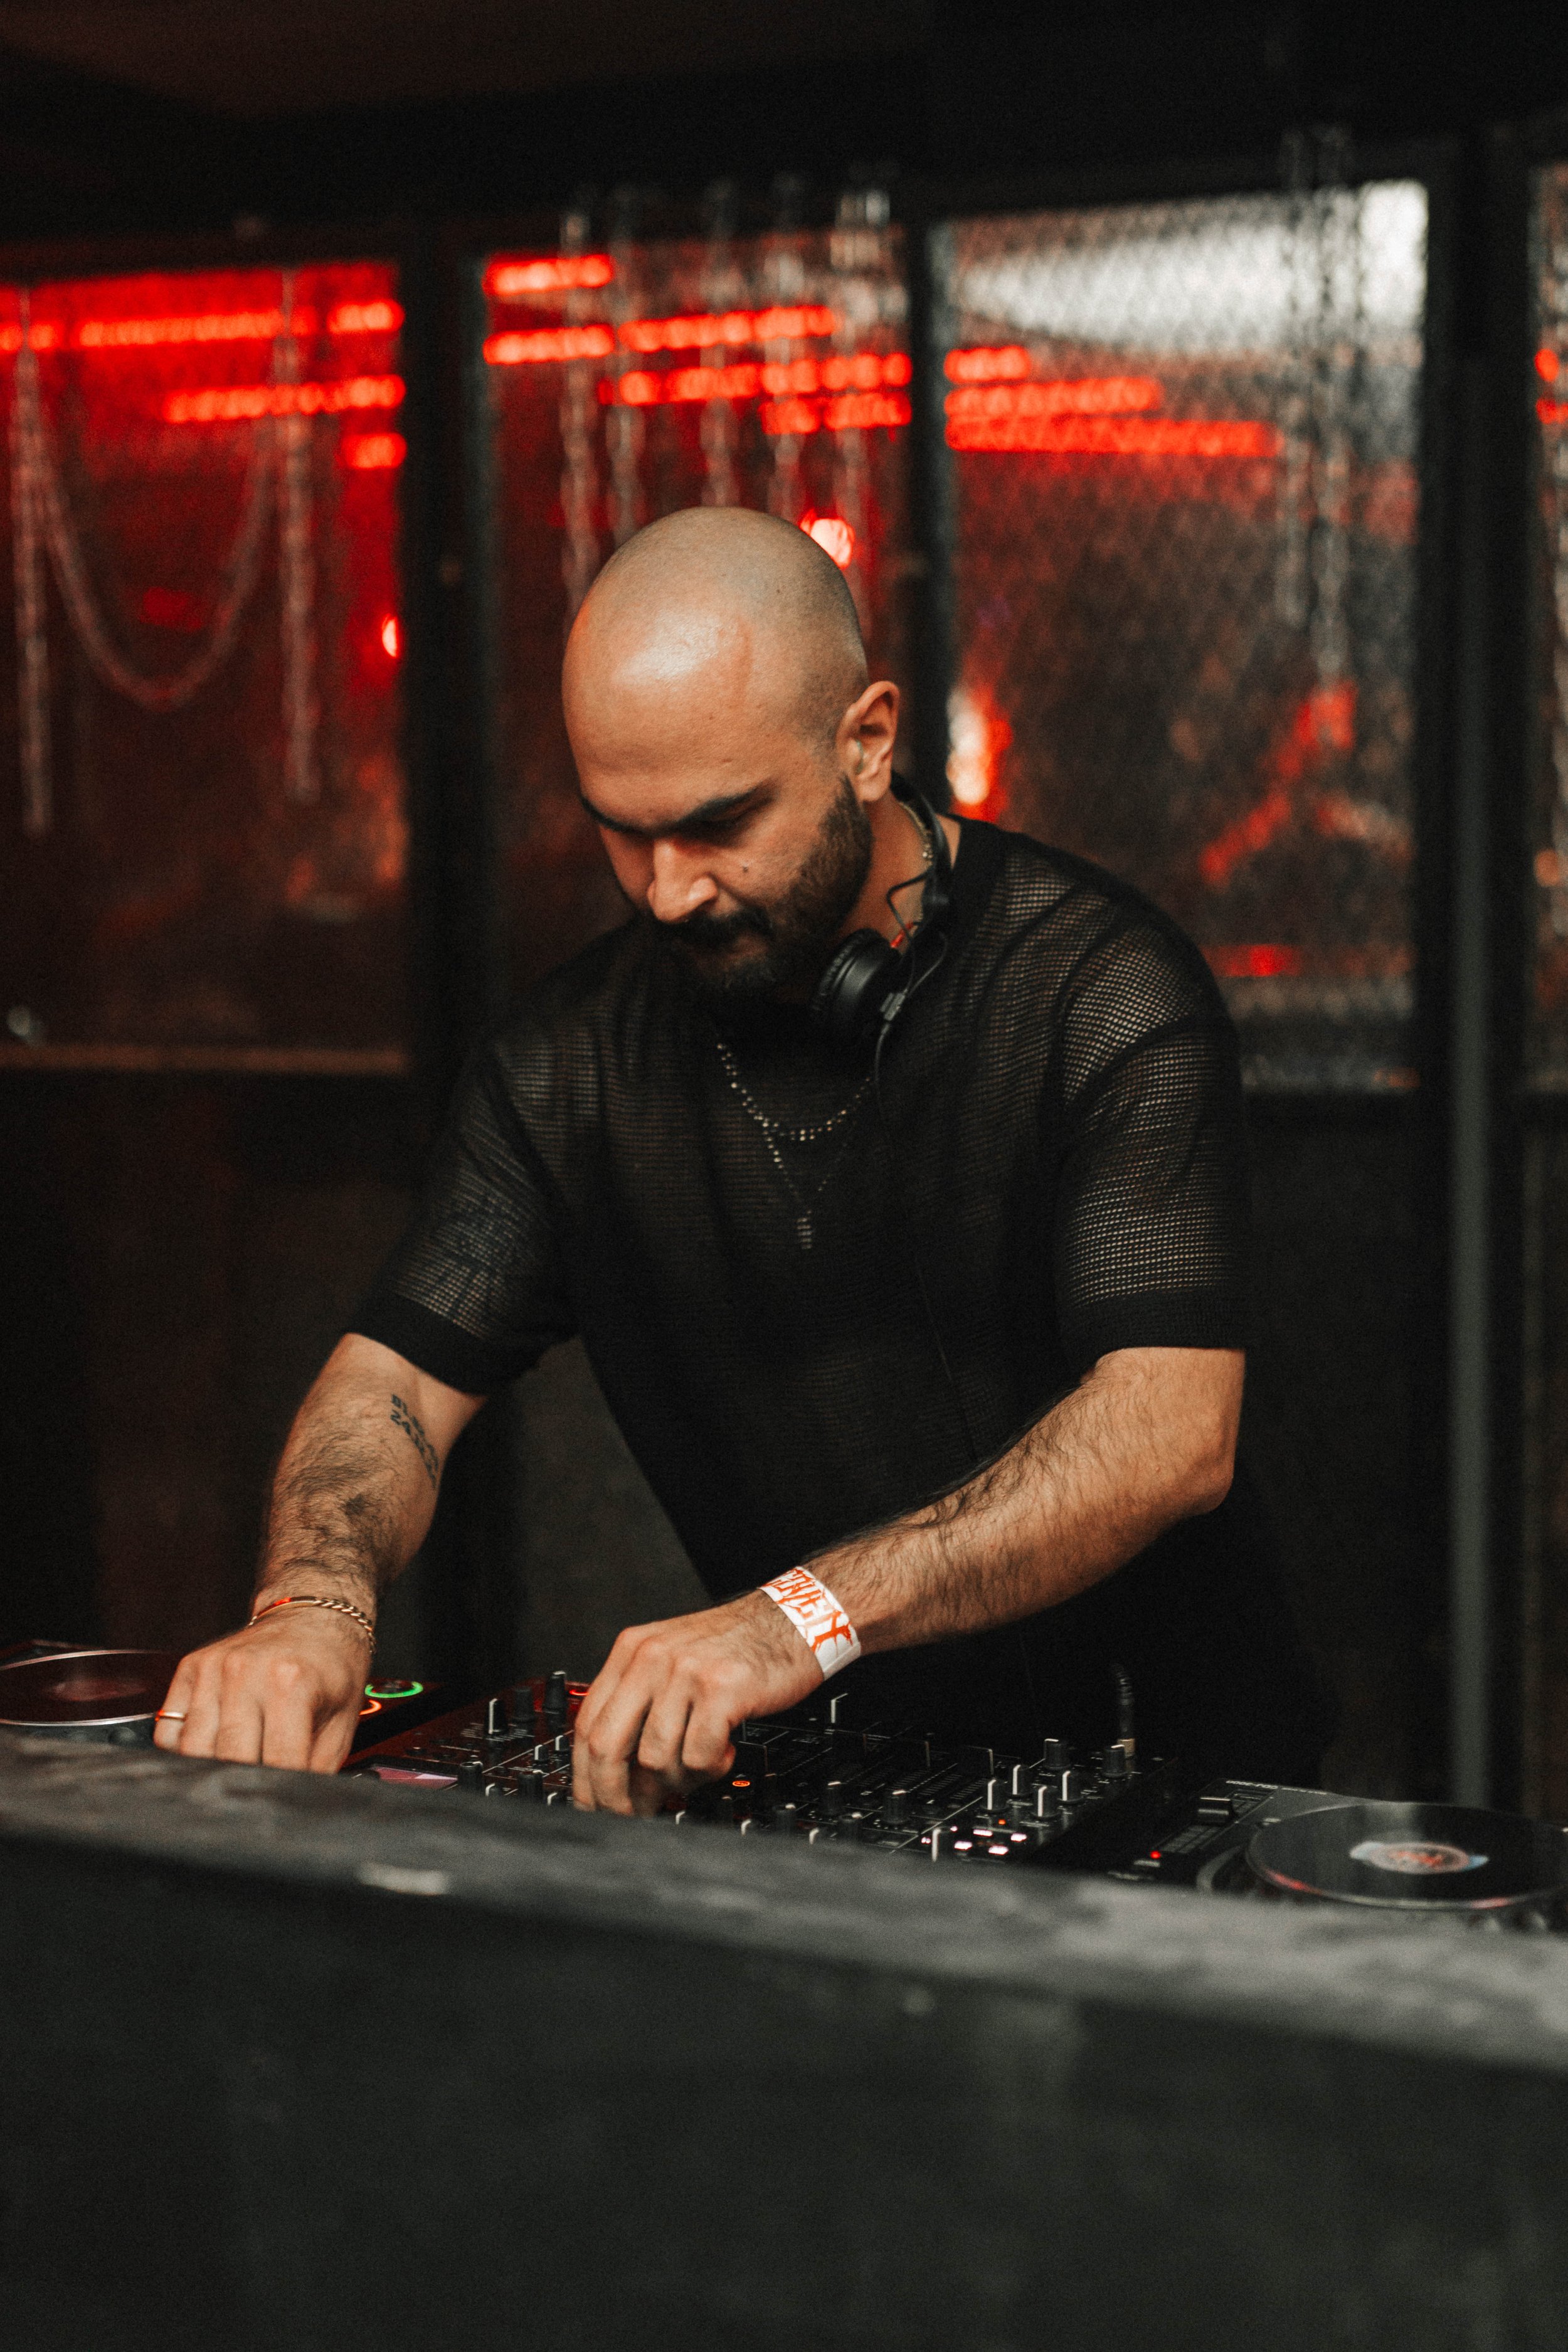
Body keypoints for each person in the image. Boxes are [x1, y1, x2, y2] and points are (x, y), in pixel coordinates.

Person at [154, 506, 1331, 1807]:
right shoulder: (569, 1067)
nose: (665, 891)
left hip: (1169, 1770)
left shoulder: (1091, 994)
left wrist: (792, 1622)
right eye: (623, 831)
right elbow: (392, 1382)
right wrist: (310, 1603)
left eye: (718, 824)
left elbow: (1168, 1427)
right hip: (832, 1768)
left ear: (866, 743)